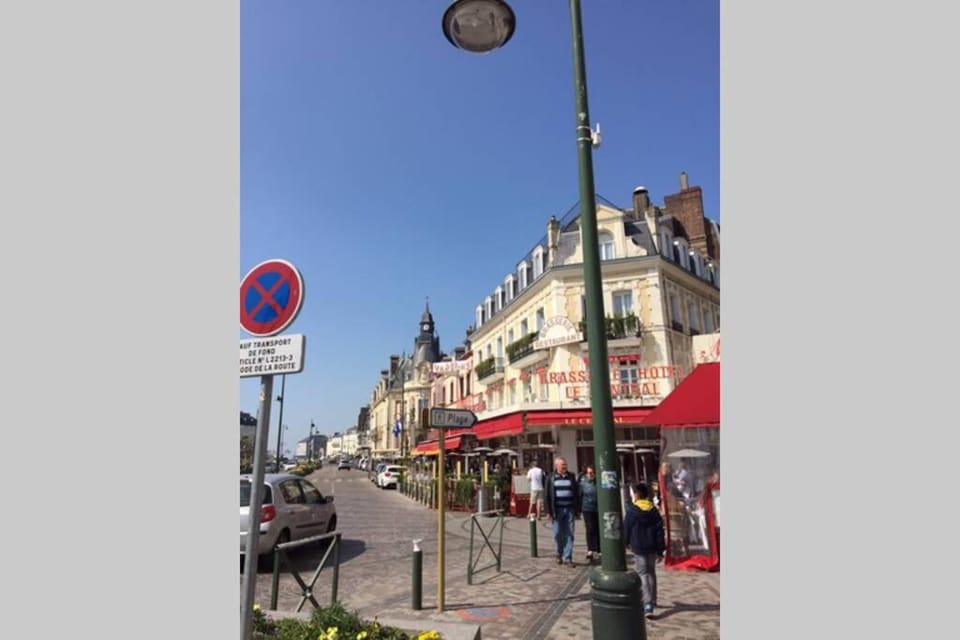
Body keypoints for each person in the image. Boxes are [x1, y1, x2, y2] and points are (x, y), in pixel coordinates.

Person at [624, 482, 666, 619]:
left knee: (643, 573)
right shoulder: (653, 510)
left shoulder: (632, 511)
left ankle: (648, 604)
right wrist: (660, 550)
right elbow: (660, 531)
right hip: (652, 546)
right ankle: (653, 599)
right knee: (651, 572)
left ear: (636, 495)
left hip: (639, 546)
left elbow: (627, 528)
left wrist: (625, 542)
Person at [544, 456, 580, 567]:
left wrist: (577, 510)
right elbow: (547, 495)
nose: (565, 466)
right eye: (562, 465)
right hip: (557, 510)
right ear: (556, 466)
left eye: (565, 465)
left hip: (569, 509)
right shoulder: (550, 477)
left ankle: (567, 557)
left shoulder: (571, 476)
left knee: (569, 533)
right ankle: (559, 553)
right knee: (557, 533)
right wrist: (548, 511)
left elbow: (576, 493)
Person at [578, 465, 600, 563]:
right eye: (589, 473)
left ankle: (599, 549)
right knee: (590, 529)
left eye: (592, 472)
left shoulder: (598, 482)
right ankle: (590, 549)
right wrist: (578, 510)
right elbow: (580, 495)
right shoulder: (583, 483)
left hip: (598, 508)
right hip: (587, 508)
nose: (591, 474)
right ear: (586, 474)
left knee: (598, 528)